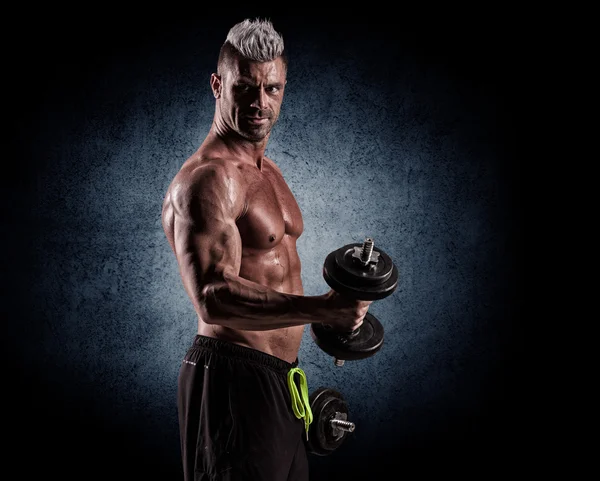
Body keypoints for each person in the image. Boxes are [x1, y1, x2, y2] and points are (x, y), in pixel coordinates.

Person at [161, 18, 372, 481]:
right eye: (245, 88)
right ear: (218, 85)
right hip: (232, 379)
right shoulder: (210, 179)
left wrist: (333, 313)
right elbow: (214, 296)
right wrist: (321, 310)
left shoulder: (267, 171)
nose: (260, 103)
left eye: (272, 88)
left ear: (284, 88)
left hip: (281, 381)